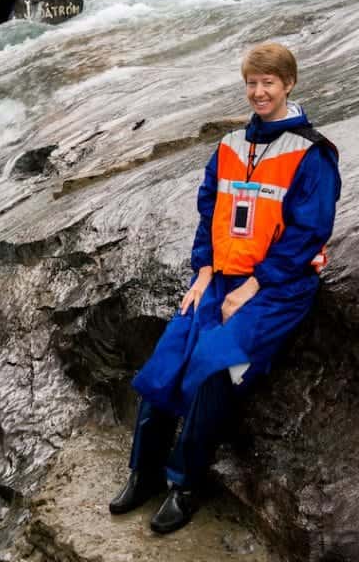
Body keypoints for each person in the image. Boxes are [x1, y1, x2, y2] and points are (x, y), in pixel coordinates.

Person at [109, 41, 341, 534]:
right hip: (221, 277)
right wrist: (204, 272)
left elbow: (309, 234)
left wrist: (255, 284)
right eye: (252, 84)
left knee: (215, 367)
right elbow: (209, 212)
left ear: (289, 85)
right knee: (169, 357)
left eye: (269, 83)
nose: (259, 92)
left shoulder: (312, 154)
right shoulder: (231, 145)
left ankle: (185, 484)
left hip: (278, 288)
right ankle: (143, 472)